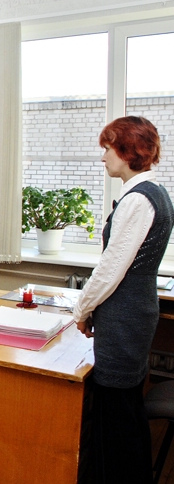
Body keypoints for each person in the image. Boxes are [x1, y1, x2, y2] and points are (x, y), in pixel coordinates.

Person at [74, 116, 173, 483]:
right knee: (125, 409)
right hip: (134, 312)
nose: (103, 158)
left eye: (107, 148)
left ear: (128, 151)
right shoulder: (154, 193)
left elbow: (110, 268)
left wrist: (81, 311)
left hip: (126, 315)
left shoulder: (138, 199)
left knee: (116, 413)